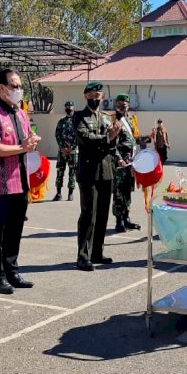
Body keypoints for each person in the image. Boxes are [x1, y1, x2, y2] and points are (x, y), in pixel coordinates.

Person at [0, 68, 40, 294]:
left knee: (16, 228)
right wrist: (22, 148)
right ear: (1, 88)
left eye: (20, 86)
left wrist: (31, 142)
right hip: (1, 183)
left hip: (21, 180)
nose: (19, 90)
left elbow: (25, 142)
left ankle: (12, 270)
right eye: (14, 86)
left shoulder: (21, 113)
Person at [74, 81, 120, 271]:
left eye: (98, 96)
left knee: (102, 214)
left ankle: (97, 252)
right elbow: (85, 139)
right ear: (85, 96)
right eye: (91, 95)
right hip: (88, 172)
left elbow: (110, 144)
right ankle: (83, 256)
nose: (95, 99)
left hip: (106, 171)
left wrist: (112, 138)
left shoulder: (106, 117)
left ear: (103, 98)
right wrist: (108, 138)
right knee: (88, 214)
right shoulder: (79, 116)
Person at [112, 93, 141, 233]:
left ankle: (126, 218)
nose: (123, 106)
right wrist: (119, 158)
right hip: (120, 163)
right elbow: (111, 143)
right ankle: (118, 221)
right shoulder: (113, 120)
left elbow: (132, 139)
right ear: (116, 105)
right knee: (118, 192)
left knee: (127, 191)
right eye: (120, 104)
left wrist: (146, 139)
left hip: (130, 162)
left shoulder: (129, 119)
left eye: (125, 104)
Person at [53, 100, 78, 202]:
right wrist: (62, 147)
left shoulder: (77, 121)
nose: (68, 109)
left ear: (73, 108)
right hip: (61, 152)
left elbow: (78, 136)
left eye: (70, 107)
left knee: (72, 173)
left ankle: (70, 194)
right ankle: (58, 193)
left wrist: (71, 147)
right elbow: (57, 134)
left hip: (72, 152)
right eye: (67, 107)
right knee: (60, 172)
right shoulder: (61, 121)